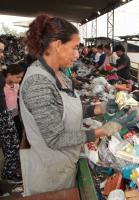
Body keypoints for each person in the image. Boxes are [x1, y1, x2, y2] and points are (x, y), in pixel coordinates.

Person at [21, 14, 123, 195]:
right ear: (57, 45)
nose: (77, 54)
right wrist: (103, 130)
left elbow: (66, 109)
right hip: (50, 175)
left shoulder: (60, 74)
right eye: (74, 47)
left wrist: (101, 107)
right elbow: (55, 138)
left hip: (64, 165)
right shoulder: (38, 82)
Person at [0, 40, 22, 183]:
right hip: (3, 115)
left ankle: (10, 170)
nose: (2, 55)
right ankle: (8, 174)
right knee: (11, 145)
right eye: (0, 51)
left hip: (8, 115)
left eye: (2, 51)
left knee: (12, 144)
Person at [3, 64, 25, 141]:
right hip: (6, 116)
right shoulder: (3, 87)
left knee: (19, 131)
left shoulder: (16, 85)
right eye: (17, 77)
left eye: (21, 77)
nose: (19, 79)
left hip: (15, 114)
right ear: (9, 75)